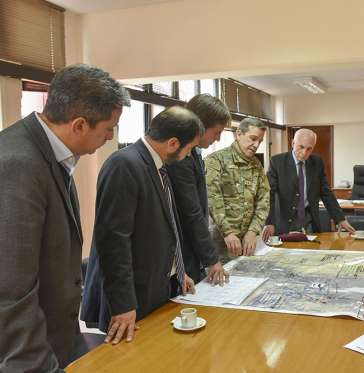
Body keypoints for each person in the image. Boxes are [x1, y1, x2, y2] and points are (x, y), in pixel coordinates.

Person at [0, 64, 129, 371]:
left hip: (58, 338)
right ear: (80, 125)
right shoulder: (18, 163)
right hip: (31, 355)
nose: (110, 136)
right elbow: (11, 289)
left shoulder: (52, 153)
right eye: (108, 128)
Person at [81, 106, 202, 345]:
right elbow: (113, 242)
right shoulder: (124, 164)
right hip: (132, 298)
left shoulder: (156, 167)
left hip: (156, 286)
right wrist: (123, 304)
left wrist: (178, 270)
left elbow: (165, 226)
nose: (189, 155)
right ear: (173, 143)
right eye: (189, 149)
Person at [168, 94, 231, 285]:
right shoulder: (180, 155)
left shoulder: (194, 152)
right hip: (182, 252)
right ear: (200, 126)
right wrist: (211, 258)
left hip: (192, 251)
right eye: (216, 132)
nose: (218, 139)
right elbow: (191, 211)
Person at [262, 128, 355, 241]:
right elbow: (269, 194)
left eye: (309, 149)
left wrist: (340, 218)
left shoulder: (317, 162)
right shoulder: (277, 162)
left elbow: (326, 192)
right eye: (301, 147)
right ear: (293, 143)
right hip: (286, 222)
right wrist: (270, 222)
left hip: (309, 221)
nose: (304, 152)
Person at [205, 117, 270, 260]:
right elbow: (213, 200)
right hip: (221, 243)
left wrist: (253, 231)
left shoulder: (256, 165)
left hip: (249, 243)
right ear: (238, 134)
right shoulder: (216, 160)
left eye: (260, 141)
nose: (256, 144)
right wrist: (228, 233)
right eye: (253, 138)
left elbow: (263, 201)